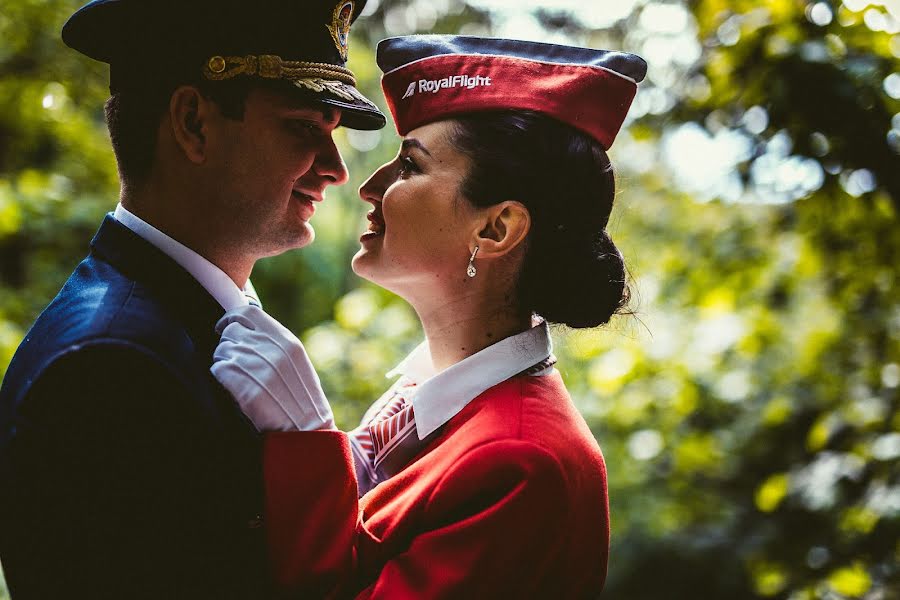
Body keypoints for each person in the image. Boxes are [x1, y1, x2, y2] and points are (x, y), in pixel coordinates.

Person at [212, 35, 647, 598]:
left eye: (409, 167)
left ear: (495, 229)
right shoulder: (429, 406)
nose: (369, 188)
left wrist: (307, 443)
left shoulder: (522, 463)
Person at [0, 1, 384, 598]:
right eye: (305, 126)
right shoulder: (110, 366)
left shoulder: (176, 324)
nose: (336, 169)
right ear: (193, 124)